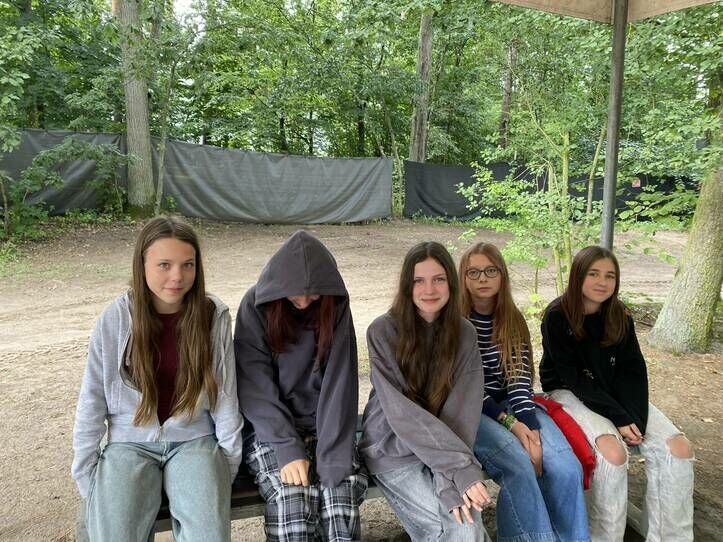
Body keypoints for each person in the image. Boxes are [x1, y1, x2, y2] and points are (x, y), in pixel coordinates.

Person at [71, 217, 243, 541]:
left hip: (194, 440)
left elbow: (225, 394)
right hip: (128, 443)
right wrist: (85, 472)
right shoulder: (115, 317)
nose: (177, 276)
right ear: (142, 264)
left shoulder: (213, 315)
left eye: (187, 265)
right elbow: (92, 397)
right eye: (164, 264)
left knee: (208, 534)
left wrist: (226, 463)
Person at [540, 245, 694, 542]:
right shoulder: (557, 316)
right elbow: (573, 378)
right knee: (612, 453)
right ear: (578, 276)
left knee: (678, 448)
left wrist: (634, 417)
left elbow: (633, 370)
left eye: (610, 276)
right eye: (593, 274)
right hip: (568, 391)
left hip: (613, 392)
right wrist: (620, 418)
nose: (602, 282)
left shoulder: (620, 315)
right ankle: (603, 536)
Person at [234, 230, 366, 542]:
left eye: (314, 294)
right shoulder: (255, 305)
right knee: (292, 497)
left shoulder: (335, 305)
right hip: (270, 430)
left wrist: (333, 453)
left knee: (339, 496)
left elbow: (341, 383)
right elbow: (254, 386)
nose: (305, 302)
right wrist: (287, 447)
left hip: (327, 427)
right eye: (295, 295)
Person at [359, 241, 492, 542]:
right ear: (407, 285)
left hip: (448, 442)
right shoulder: (382, 331)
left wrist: (451, 476)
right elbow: (402, 414)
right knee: (457, 530)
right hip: (392, 447)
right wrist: (457, 469)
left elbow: (463, 412)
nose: (429, 289)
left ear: (451, 283)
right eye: (418, 280)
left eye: (438, 279)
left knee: (466, 526)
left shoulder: (465, 334)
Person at [459, 242, 589, 542]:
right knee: (521, 464)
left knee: (566, 466)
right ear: (462, 278)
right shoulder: (456, 323)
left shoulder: (512, 319)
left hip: (513, 403)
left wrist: (531, 429)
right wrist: (513, 426)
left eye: (491, 271)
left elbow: (519, 378)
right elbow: (467, 389)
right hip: (473, 412)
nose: (482, 278)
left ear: (502, 275)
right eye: (473, 272)